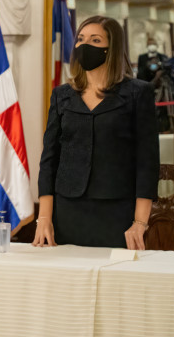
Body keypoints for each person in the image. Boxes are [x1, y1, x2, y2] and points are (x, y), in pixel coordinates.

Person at [35, 16, 158, 249]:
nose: (84, 45)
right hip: (67, 210)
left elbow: (147, 162)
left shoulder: (138, 93)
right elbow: (49, 159)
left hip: (117, 211)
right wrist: (44, 218)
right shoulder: (62, 95)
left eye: (95, 40)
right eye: (81, 39)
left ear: (112, 48)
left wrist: (140, 222)